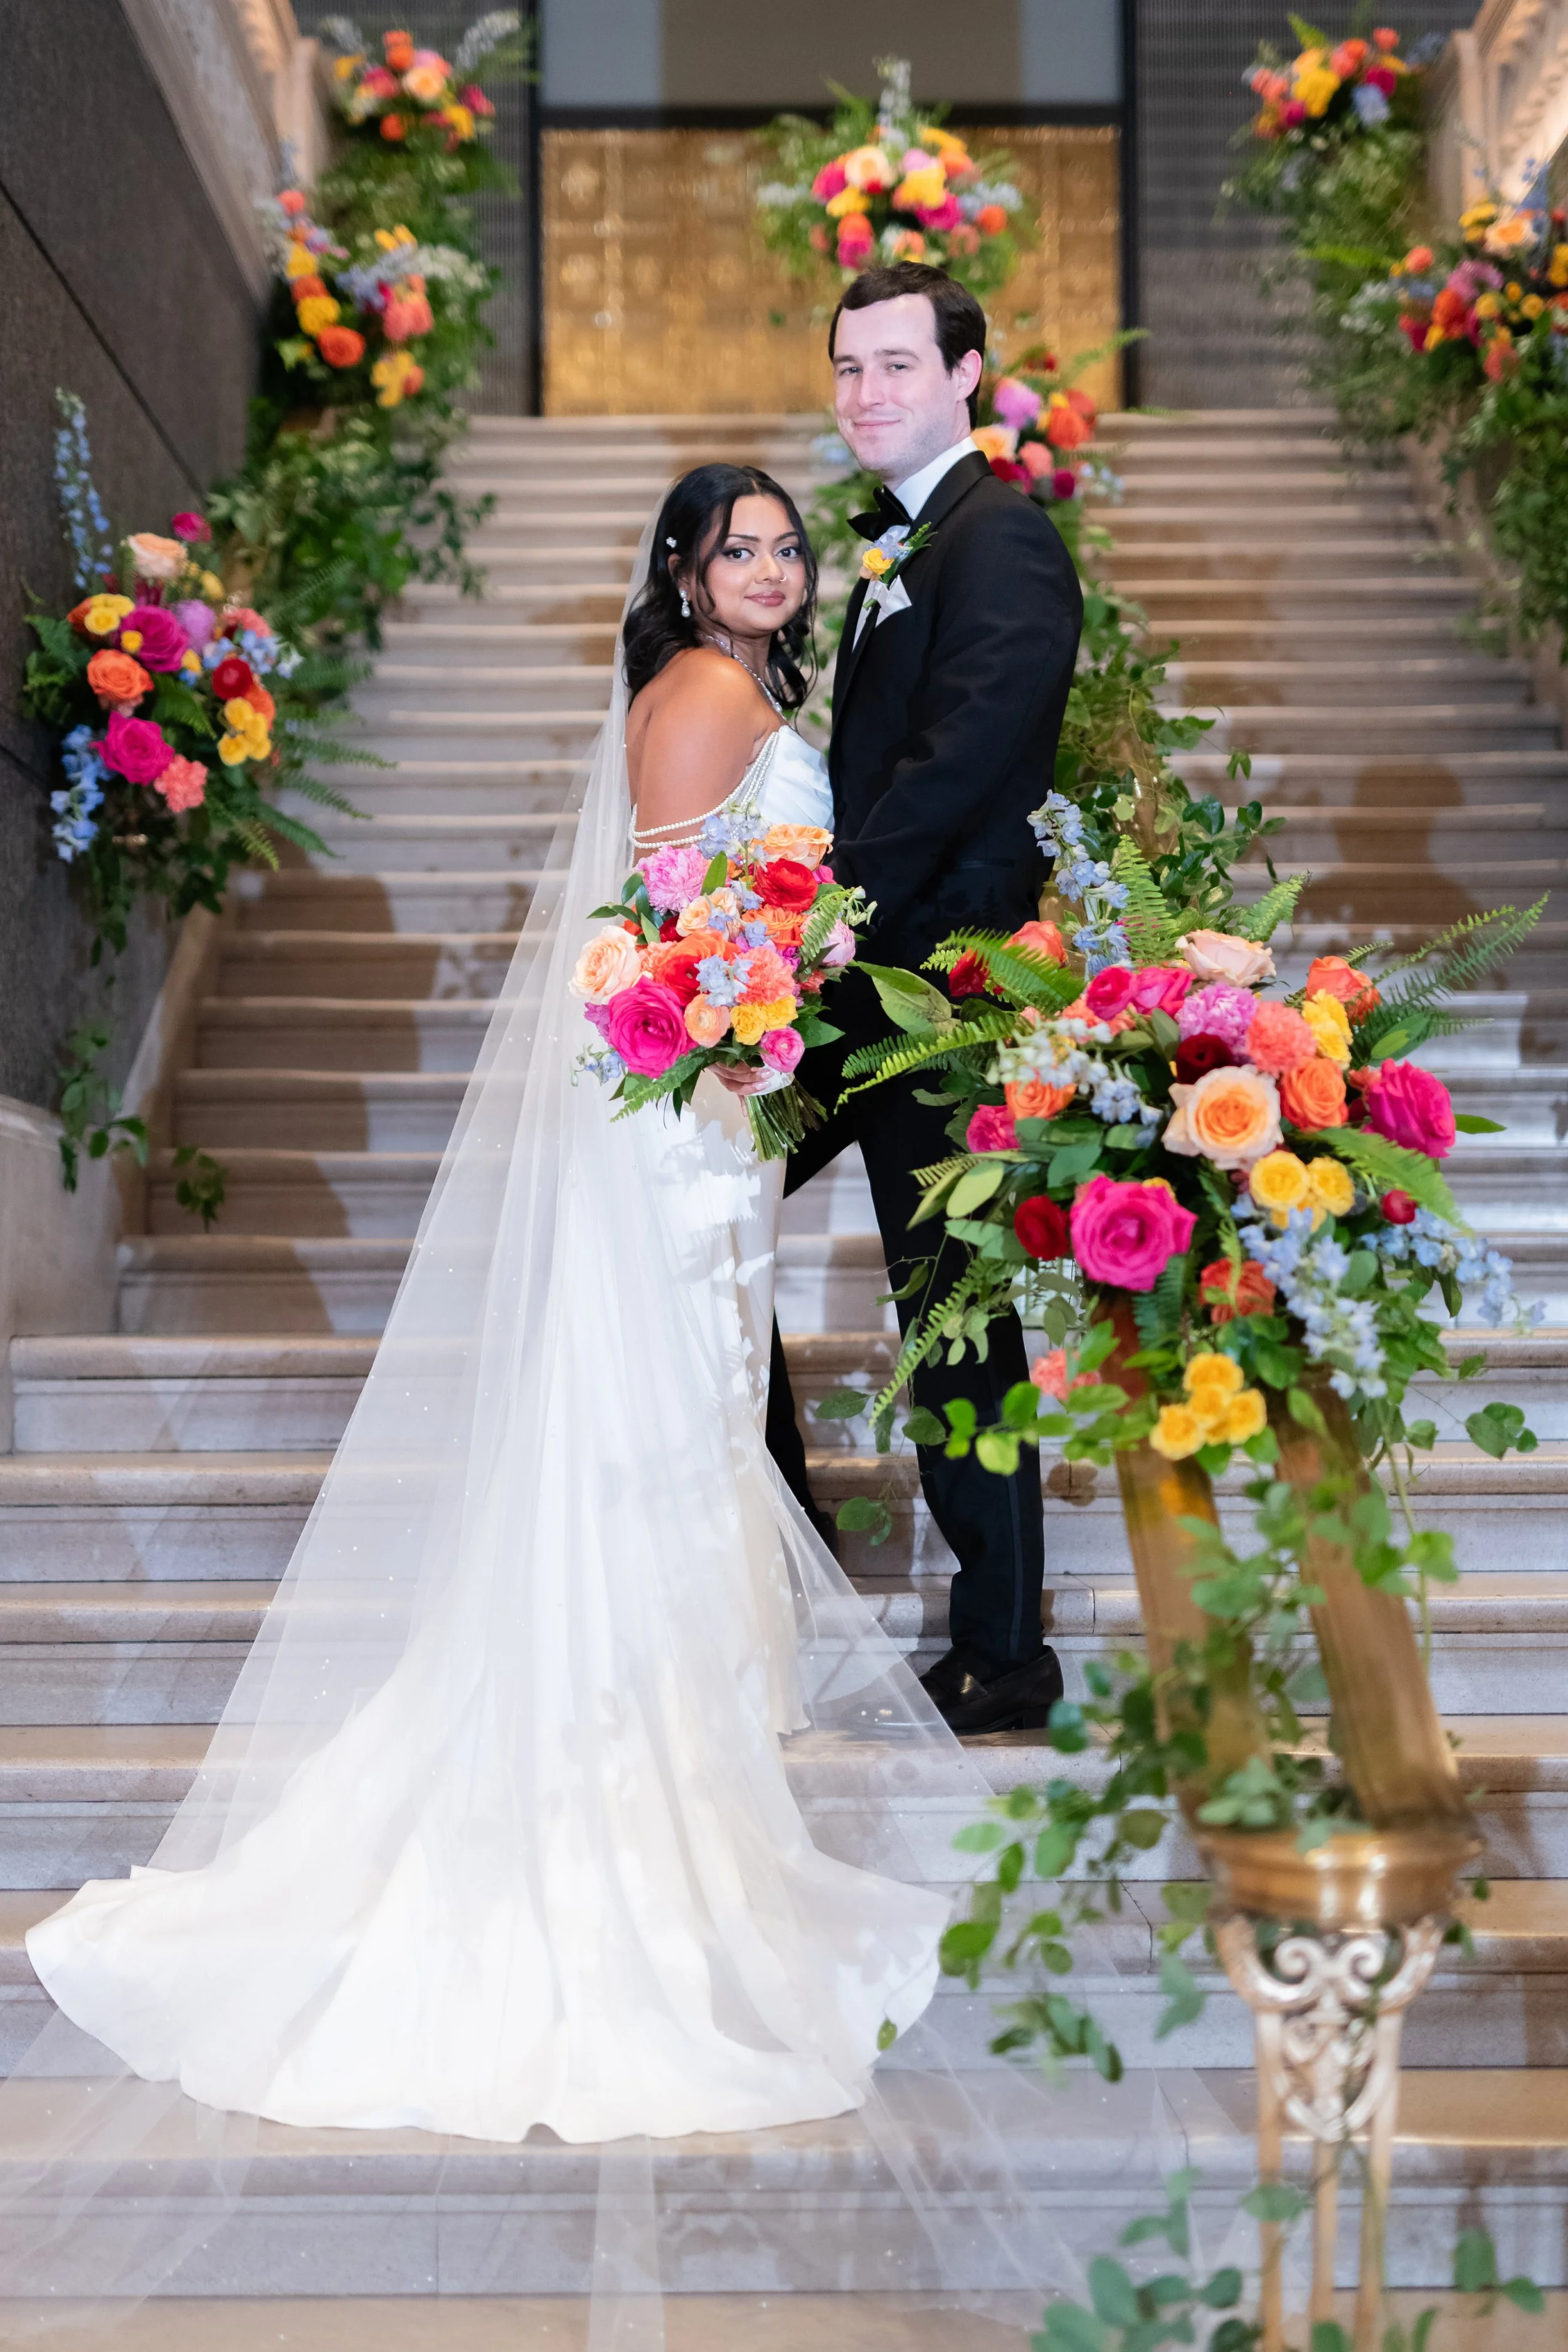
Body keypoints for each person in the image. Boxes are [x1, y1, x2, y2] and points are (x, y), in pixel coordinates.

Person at [21, 465, 958, 2152]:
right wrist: (756, 1007)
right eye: (734, 547)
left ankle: (681, 1767)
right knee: (662, 1438)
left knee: (693, 1431)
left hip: (722, 1127)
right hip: (685, 1130)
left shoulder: (749, 688)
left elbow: (755, 910)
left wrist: (786, 990)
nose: (766, 566)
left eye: (780, 545)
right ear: (681, 572)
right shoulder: (692, 695)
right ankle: (619, 1802)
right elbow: (671, 926)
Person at [765, 262, 1084, 1738]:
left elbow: (955, 765)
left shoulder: (998, 538)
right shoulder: (911, 545)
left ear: (966, 375)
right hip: (878, 976)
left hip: (933, 984)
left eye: (896, 365)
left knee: (954, 1312)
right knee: (678, 1193)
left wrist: (822, 919)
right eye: (847, 368)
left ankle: (1001, 1652)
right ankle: (773, 1550)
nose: (866, 393)